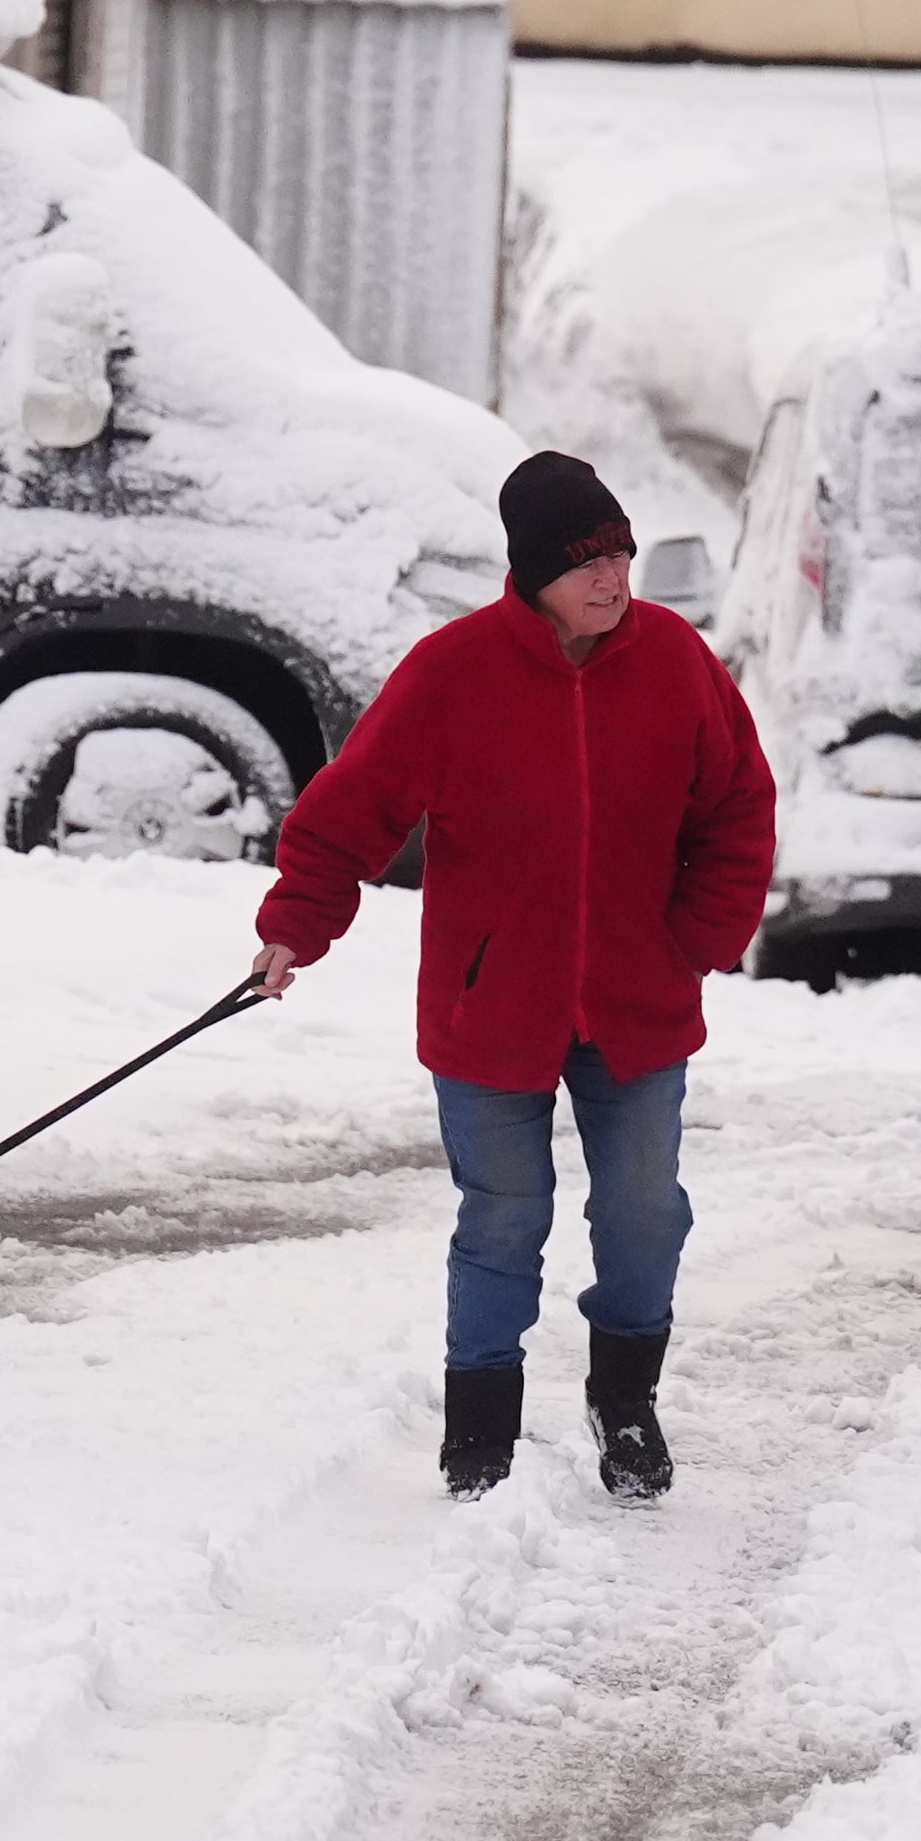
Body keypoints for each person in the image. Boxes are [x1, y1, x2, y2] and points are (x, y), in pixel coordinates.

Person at [253, 449, 777, 1502]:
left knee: (642, 1210)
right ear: (531, 570)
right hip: (489, 1004)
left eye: (621, 552)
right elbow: (352, 808)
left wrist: (698, 937)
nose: (611, 574)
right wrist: (299, 924)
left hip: (638, 998)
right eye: (586, 559)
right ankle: (479, 1430)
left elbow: (738, 806)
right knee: (503, 1215)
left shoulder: (676, 662)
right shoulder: (454, 671)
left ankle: (625, 1400)